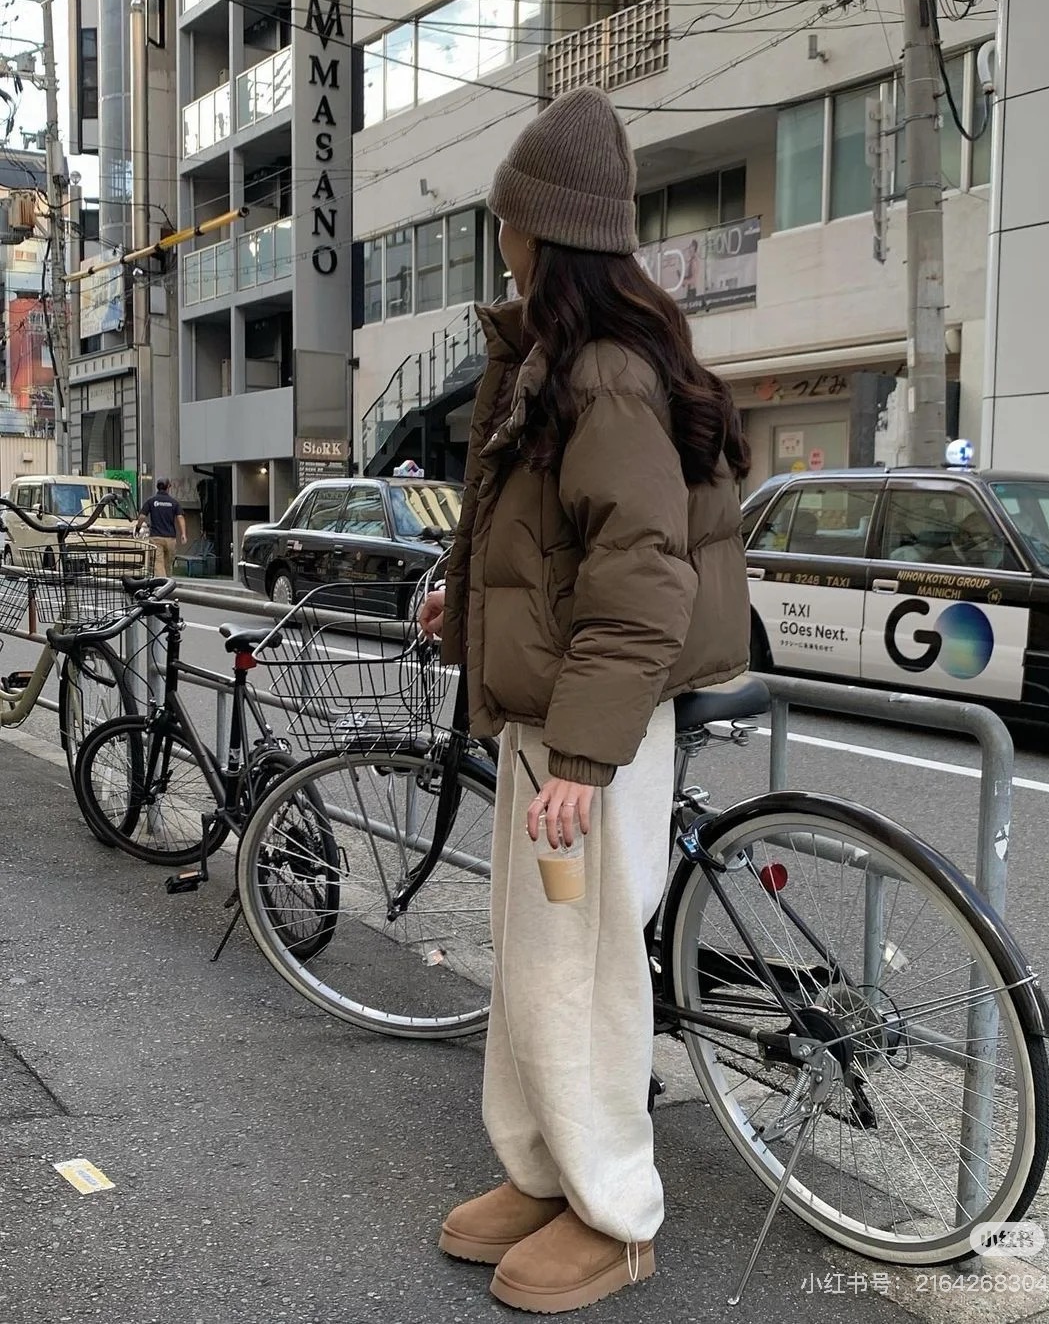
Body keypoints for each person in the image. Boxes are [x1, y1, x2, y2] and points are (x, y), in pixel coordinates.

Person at [417, 87, 751, 1314]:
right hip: (547, 717)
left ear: (539, 229)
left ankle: (616, 1216)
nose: (498, 237)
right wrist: (465, 611)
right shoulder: (556, 359)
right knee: (536, 959)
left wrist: (585, 757)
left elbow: (640, 576)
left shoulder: (602, 374)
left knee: (585, 972)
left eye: (506, 217)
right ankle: (546, 1172)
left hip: (587, 734)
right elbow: (541, 550)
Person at [136, 478, 186, 576]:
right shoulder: (173, 502)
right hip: (170, 538)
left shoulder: (151, 501)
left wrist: (138, 528)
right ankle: (168, 581)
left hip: (156, 537)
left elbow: (142, 516)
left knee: (158, 563)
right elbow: (180, 517)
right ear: (168, 487)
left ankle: (162, 581)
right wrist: (183, 534)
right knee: (168, 564)